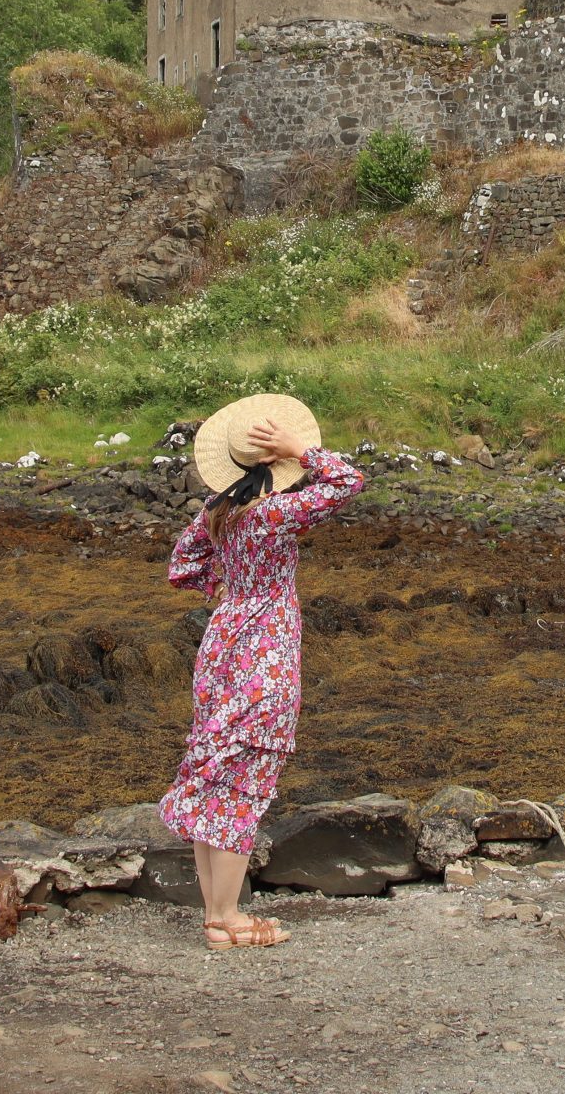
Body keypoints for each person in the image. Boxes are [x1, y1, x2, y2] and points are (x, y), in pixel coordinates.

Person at [157, 392, 364, 949]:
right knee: (242, 780)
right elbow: (348, 483)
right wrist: (301, 448)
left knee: (214, 777)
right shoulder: (272, 515)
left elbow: (183, 564)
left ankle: (217, 916)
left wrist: (224, 592)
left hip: (223, 641)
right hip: (263, 649)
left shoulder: (218, 514)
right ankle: (231, 919)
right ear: (275, 462)